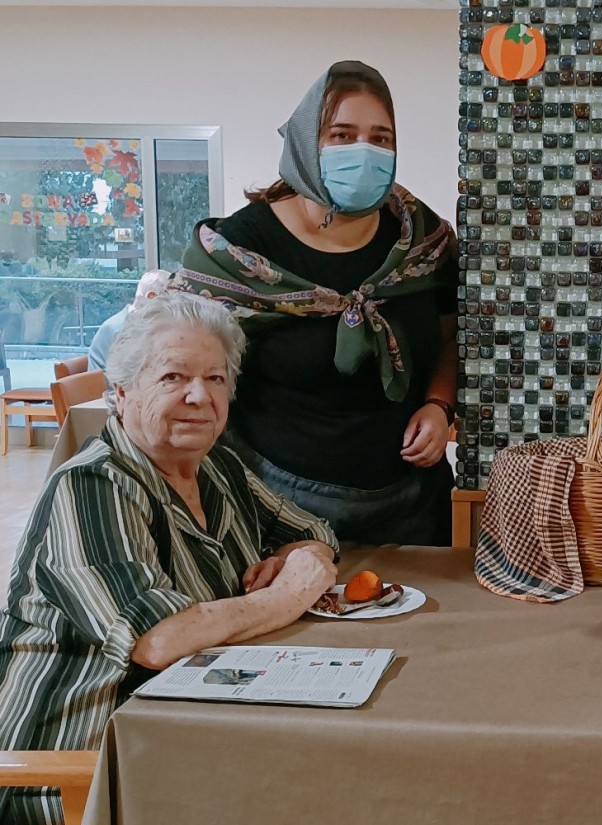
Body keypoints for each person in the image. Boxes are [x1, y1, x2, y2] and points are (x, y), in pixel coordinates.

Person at [0, 293, 338, 825]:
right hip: (80, 778)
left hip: (191, 741)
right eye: (173, 377)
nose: (199, 396)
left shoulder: (216, 466)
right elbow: (158, 641)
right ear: (122, 392)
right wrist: (290, 593)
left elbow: (313, 532)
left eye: (215, 379)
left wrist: (300, 556)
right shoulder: (93, 485)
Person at [176, 60, 459, 546]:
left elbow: (454, 335)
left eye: (380, 139)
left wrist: (439, 405)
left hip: (410, 505)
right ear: (306, 143)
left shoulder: (420, 239)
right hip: (275, 508)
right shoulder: (241, 249)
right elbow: (188, 362)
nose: (363, 151)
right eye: (342, 136)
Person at [87, 269, 170, 371]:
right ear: (153, 297)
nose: (177, 306)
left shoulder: (141, 323)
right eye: (172, 300)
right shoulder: (119, 330)